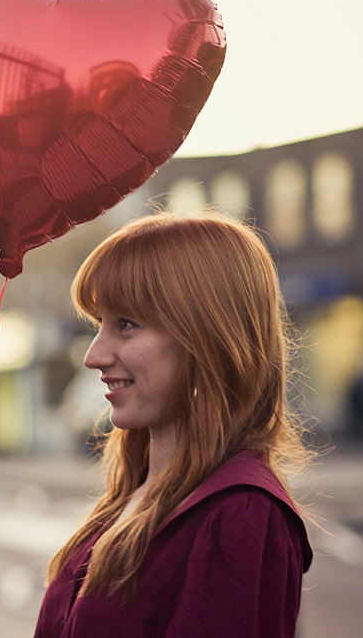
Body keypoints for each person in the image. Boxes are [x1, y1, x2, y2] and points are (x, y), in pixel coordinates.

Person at [34, 212, 313, 638]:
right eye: (99, 324)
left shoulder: (238, 513)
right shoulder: (137, 491)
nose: (93, 356)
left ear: (206, 339)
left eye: (125, 325)